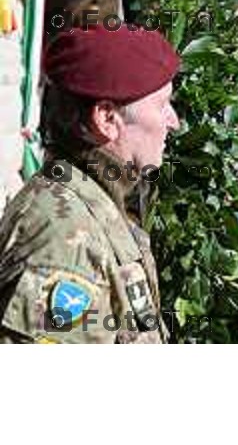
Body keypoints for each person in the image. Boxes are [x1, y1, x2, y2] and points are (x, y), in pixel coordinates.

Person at [0, 25, 180, 343]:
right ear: (107, 119)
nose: (173, 121)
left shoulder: (99, 198)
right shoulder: (62, 234)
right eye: (162, 105)